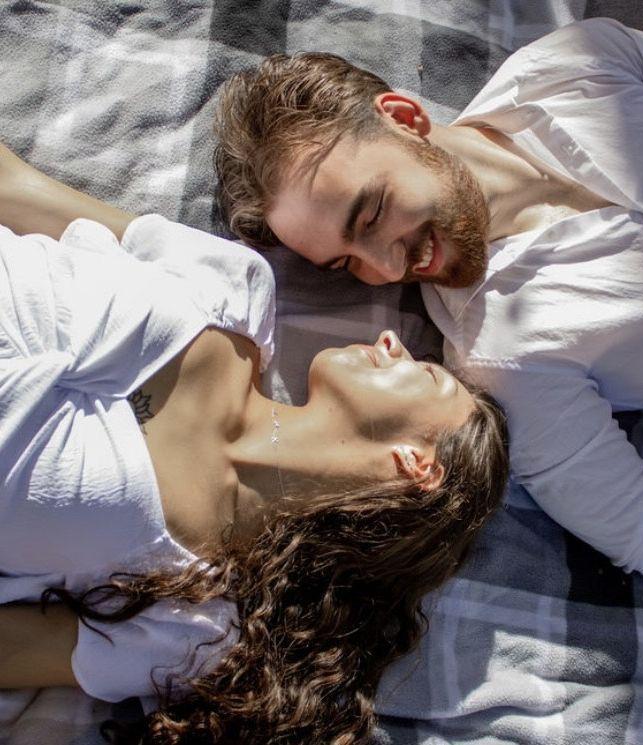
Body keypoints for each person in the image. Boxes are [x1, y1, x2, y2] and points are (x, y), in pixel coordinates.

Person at [0, 144, 509, 745]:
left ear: (416, 466)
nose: (392, 341)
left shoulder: (196, 620)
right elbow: (15, 189)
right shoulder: (237, 286)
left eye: (426, 374)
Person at [214, 17, 643, 575]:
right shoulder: (503, 357)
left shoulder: (572, 64)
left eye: (371, 215)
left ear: (404, 119)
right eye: (347, 263)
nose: (388, 268)